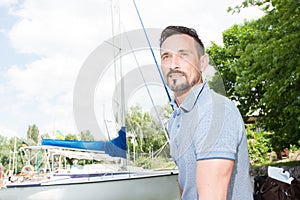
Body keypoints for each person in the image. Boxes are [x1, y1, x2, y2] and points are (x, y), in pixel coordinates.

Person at [159, 26, 253, 200]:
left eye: (183, 55)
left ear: (203, 63)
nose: (173, 64)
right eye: (166, 57)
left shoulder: (215, 111)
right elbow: (185, 184)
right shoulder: (175, 118)